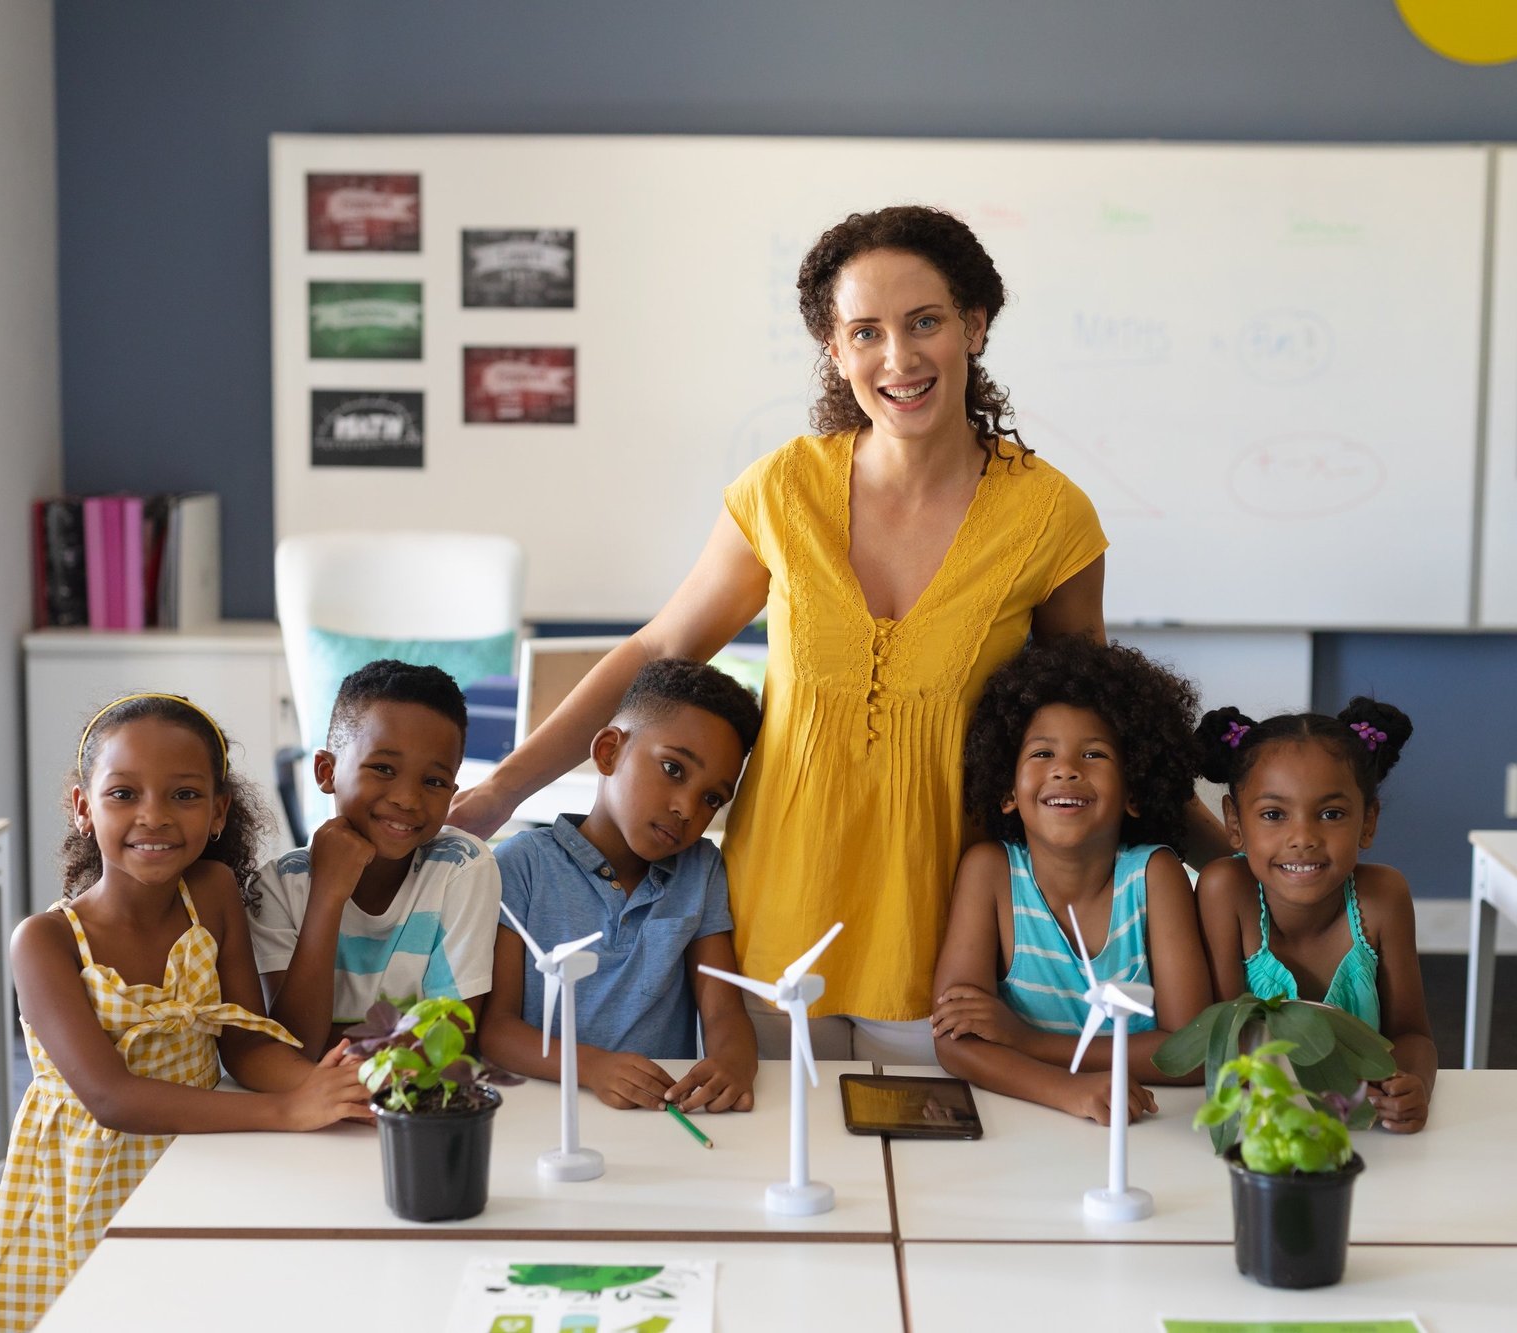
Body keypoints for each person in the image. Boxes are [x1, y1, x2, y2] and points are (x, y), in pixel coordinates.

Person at [451, 204, 1228, 1065]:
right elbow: (652, 655)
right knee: (774, 1181)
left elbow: (1100, 723)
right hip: (771, 930)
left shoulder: (1051, 516)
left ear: (974, 325)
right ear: (834, 347)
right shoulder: (784, 489)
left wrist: (1234, 859)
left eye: (925, 322)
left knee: (939, 1186)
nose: (898, 358)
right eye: (866, 331)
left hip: (949, 943)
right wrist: (497, 793)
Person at [0, 694, 373, 1331]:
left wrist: (343, 1091)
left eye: (184, 795)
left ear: (218, 811)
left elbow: (245, 1044)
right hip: (87, 1178)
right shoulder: (45, 941)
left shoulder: (213, 894)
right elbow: (112, 1099)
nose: (154, 817)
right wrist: (288, 1109)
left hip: (202, 1148)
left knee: (196, 1307)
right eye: (123, 794)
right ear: (84, 808)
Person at [930, 637, 1213, 1123]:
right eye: (1042, 754)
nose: (1065, 770)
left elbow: (1191, 1051)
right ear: (1007, 791)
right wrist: (1069, 1091)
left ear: (1134, 791)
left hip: (1148, 1125)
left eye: (1095, 755)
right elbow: (956, 1041)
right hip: (1029, 1121)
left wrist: (1027, 1042)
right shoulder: (990, 872)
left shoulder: (1154, 876)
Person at [483, 659, 760, 1111]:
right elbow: (496, 1031)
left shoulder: (701, 871)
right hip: (542, 1107)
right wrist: (592, 1067)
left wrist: (734, 1061)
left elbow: (723, 1010)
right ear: (609, 751)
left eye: (712, 798)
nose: (688, 808)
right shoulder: (521, 864)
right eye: (674, 769)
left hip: (655, 1116)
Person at [1191, 698, 1437, 1133]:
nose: (1302, 837)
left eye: (1331, 814)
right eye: (1273, 815)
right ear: (1234, 822)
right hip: (1258, 1129)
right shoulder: (1225, 891)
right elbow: (1225, 1040)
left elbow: (1413, 1034)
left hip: (1360, 1134)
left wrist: (1411, 1084)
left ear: (1368, 822)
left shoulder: (1384, 897)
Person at [250, 660, 501, 1057]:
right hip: (317, 1110)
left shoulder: (462, 868)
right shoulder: (276, 888)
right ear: (325, 771)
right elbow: (293, 1047)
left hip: (412, 1102)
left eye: (434, 781)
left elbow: (452, 1037)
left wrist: (338, 1043)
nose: (407, 798)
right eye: (383, 769)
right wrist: (327, 897)